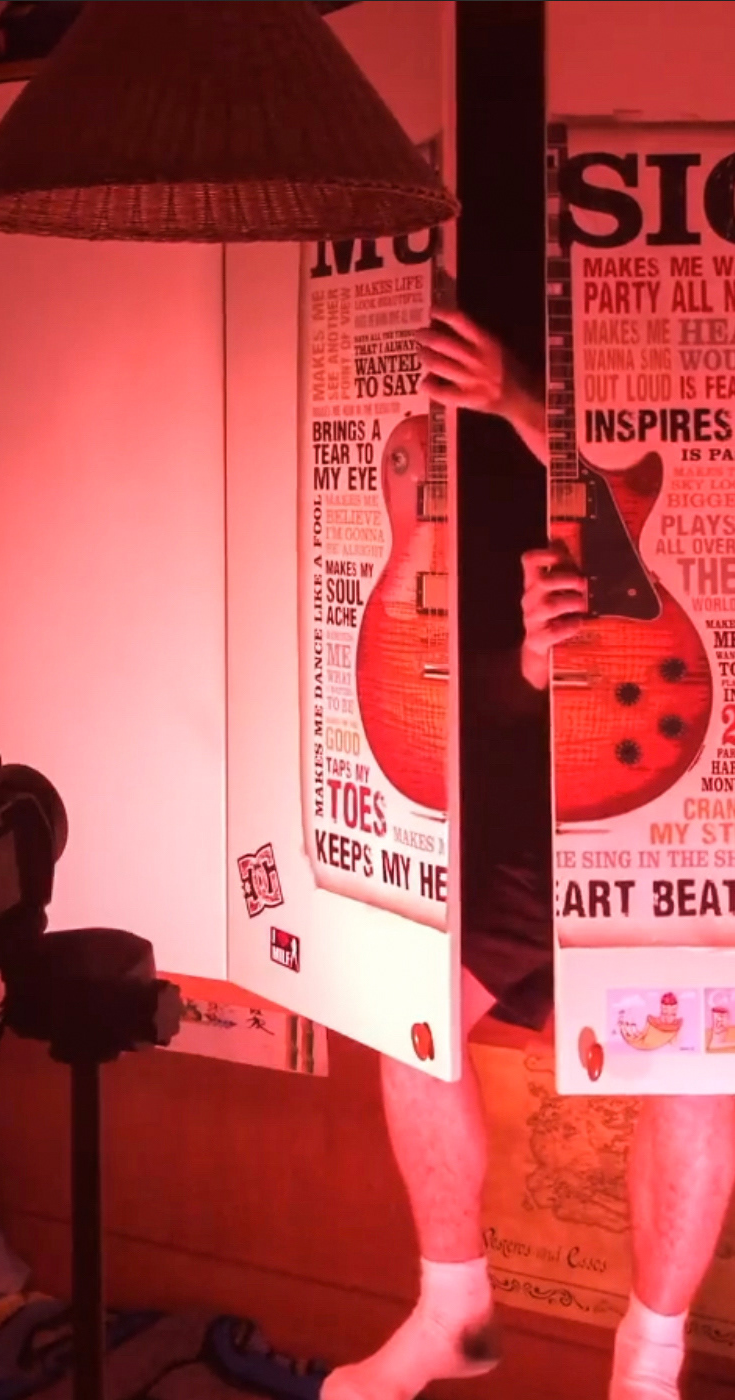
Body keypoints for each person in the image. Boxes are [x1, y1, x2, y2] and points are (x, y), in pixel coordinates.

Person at [321, 311, 735, 1400]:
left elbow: (667, 470)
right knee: (410, 1015)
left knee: (698, 1061)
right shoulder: (474, 465)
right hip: (542, 815)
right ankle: (450, 1307)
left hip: (689, 823)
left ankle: (648, 1368)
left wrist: (511, 393)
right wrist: (537, 665)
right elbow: (463, 700)